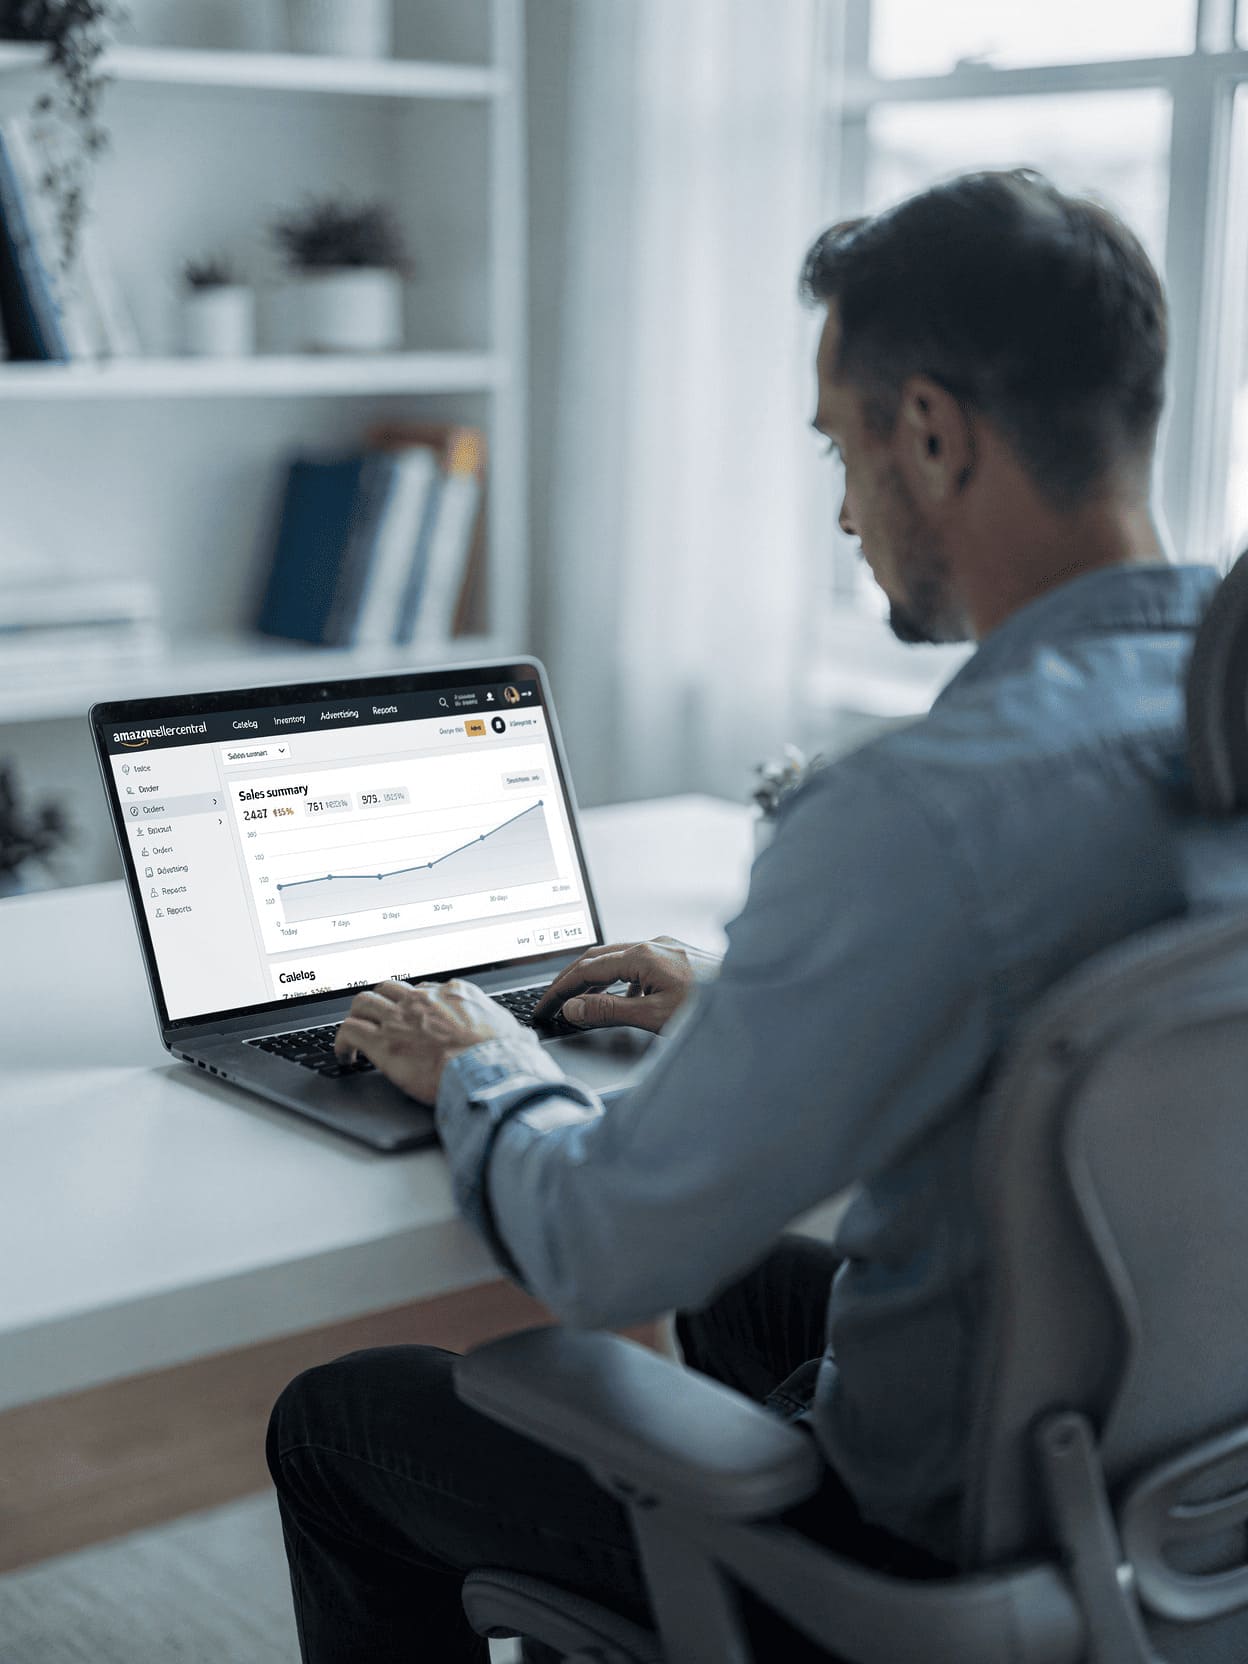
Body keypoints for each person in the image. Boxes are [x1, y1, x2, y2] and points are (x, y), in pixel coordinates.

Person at [266, 169, 1248, 1662]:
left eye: (840, 448)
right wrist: (746, 1007)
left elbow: (599, 1250)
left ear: (929, 432)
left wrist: (482, 1058)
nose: (846, 511)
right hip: (1176, 1504)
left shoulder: (926, 808)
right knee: (750, 1291)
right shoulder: (1216, 716)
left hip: (925, 1567)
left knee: (340, 1423)